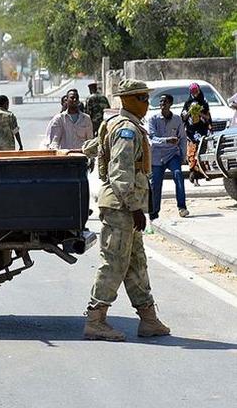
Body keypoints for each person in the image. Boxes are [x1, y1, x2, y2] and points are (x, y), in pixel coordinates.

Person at [84, 78, 170, 342]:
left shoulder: (122, 125)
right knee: (114, 262)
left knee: (135, 263)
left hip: (126, 207)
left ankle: (148, 319)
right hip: (121, 207)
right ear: (130, 100)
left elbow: (94, 148)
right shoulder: (126, 129)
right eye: (143, 98)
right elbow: (120, 172)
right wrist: (135, 209)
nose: (147, 103)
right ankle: (95, 320)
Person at [148, 93, 188, 220]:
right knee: (155, 184)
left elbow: (182, 138)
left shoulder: (177, 119)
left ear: (170, 104)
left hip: (172, 154)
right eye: (160, 102)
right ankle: (154, 212)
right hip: (157, 156)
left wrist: (183, 155)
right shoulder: (153, 119)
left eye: (164, 102)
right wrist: (166, 140)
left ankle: (182, 207)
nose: (162, 104)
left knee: (178, 175)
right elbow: (152, 138)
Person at [180, 82, 212, 185]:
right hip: (191, 132)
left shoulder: (204, 102)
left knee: (202, 152)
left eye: (196, 91)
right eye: (193, 92)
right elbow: (183, 117)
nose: (195, 93)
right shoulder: (187, 103)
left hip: (202, 131)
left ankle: (205, 173)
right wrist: (190, 111)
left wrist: (199, 113)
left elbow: (208, 117)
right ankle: (194, 176)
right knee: (193, 153)